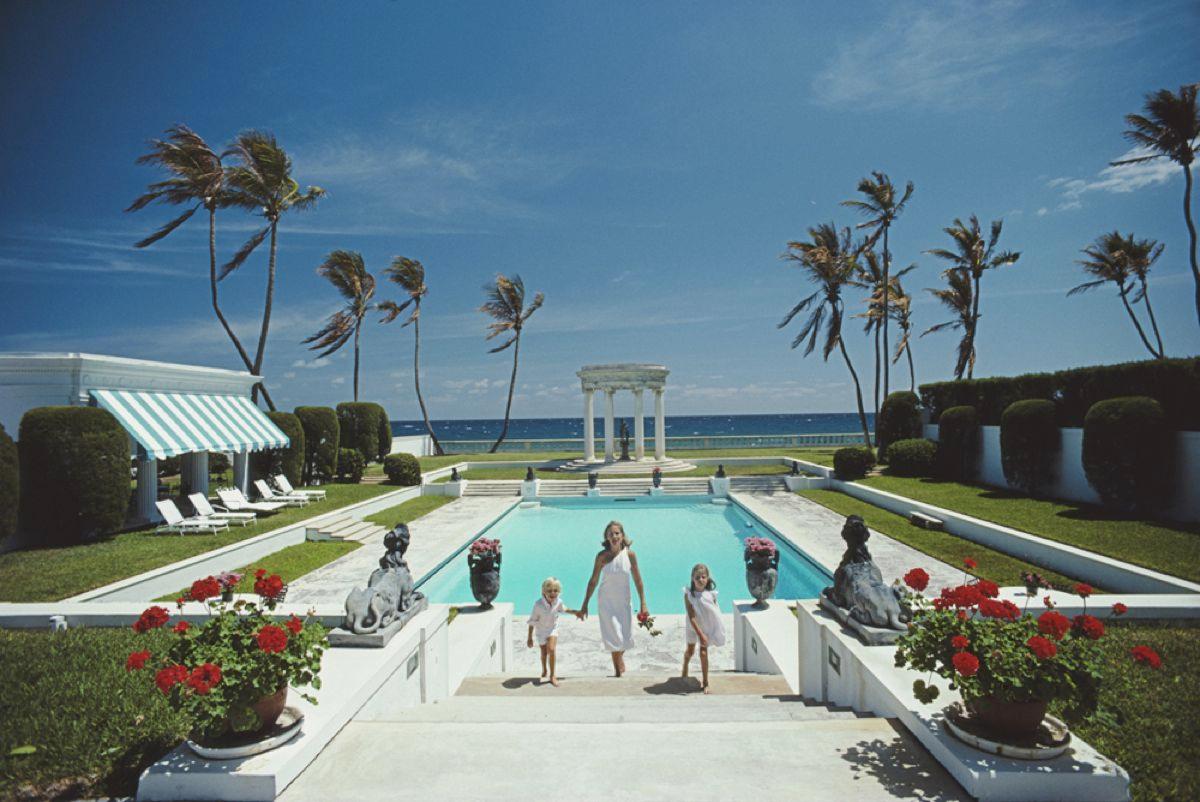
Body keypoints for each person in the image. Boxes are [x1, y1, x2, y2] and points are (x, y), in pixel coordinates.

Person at [579, 520, 648, 677]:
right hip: (606, 603)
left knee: (625, 638)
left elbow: (638, 580)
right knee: (614, 637)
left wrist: (643, 603)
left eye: (617, 533)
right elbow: (593, 580)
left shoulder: (630, 555)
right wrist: (585, 604)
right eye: (611, 534)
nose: (614, 536)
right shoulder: (602, 556)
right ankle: (617, 673)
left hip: (624, 602)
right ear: (607, 537)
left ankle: (620, 659)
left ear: (622, 536)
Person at [526, 576, 580, 686]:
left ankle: (552, 675)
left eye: (555, 591)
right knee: (544, 653)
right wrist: (529, 638)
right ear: (544, 591)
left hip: (552, 629)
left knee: (551, 649)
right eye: (549, 591)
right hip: (540, 631)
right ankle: (544, 669)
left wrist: (576, 612)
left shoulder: (558, 602)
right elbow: (532, 622)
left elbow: (565, 609)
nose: (552, 593)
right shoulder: (538, 605)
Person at [682, 563, 725, 694]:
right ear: (692, 578)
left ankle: (705, 682)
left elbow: (716, 612)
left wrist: (716, 629)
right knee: (690, 651)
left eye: (703, 577)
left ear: (707, 578)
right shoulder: (689, 595)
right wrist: (700, 634)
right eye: (697, 577)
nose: (700, 580)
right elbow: (691, 616)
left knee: (703, 653)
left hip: (705, 626)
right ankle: (685, 665)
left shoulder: (711, 595)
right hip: (693, 626)